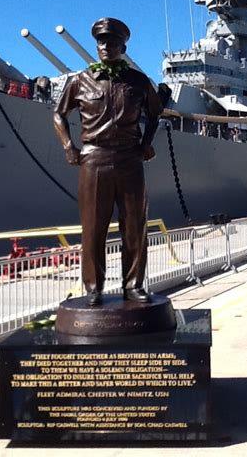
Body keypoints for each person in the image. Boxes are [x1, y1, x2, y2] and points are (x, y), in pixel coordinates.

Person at [53, 17, 163, 306]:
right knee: (93, 227)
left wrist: (145, 143)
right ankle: (93, 288)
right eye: (101, 42)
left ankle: (134, 286)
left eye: (112, 43)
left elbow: (155, 113)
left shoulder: (138, 82)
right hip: (94, 158)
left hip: (129, 159)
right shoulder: (80, 80)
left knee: (135, 227)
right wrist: (68, 146)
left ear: (122, 47)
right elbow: (59, 113)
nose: (105, 47)